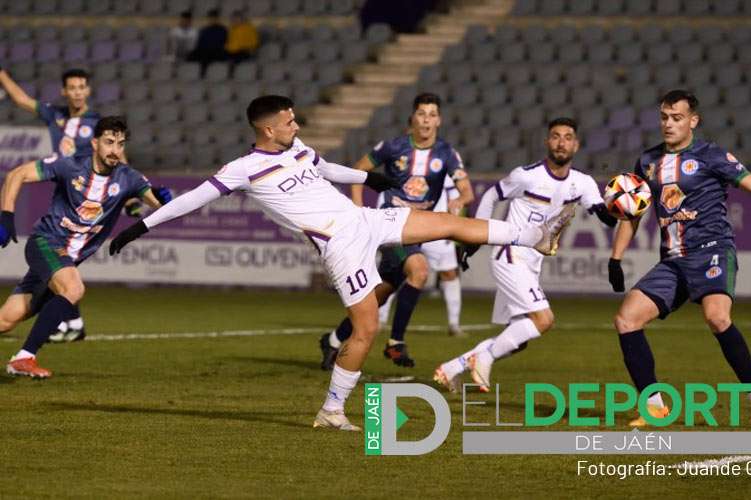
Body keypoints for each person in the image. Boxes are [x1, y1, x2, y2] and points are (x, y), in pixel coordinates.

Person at [108, 95, 572, 431]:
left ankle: (535, 235)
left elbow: (326, 169)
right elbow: (192, 200)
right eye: (289, 122)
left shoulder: (298, 149)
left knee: (444, 223)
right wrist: (139, 227)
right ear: (267, 129)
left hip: (364, 220)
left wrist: (370, 177)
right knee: (365, 330)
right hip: (339, 246)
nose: (295, 125)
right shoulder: (241, 169)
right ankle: (332, 410)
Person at [608, 90, 751, 426]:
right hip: (673, 260)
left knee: (717, 318)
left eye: (676, 118)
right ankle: (654, 407)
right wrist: (615, 258)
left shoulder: (712, 155)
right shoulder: (648, 162)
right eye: (664, 117)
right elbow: (632, 214)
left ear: (692, 121)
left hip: (712, 250)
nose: (668, 124)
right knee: (626, 319)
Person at [434, 117, 618, 392]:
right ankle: (484, 356)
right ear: (547, 141)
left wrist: (623, 206)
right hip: (510, 253)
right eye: (555, 136)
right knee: (544, 320)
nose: (561, 142)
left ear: (576, 144)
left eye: (568, 137)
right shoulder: (526, 175)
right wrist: (479, 235)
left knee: (518, 339)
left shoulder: (583, 183)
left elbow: (606, 218)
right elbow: (490, 196)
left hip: (532, 262)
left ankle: (451, 368)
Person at [0, 117, 172, 378]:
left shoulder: (130, 178)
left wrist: (164, 200)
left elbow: (158, 205)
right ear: (95, 143)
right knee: (73, 288)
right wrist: (6, 216)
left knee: (6, 320)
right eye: (109, 142)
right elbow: (17, 174)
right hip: (47, 242)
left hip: (65, 259)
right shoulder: (70, 166)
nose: (115, 150)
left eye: (120, 144)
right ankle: (24, 358)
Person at [318, 93, 474, 370]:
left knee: (378, 295)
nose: (426, 119)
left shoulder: (446, 153)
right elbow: (358, 171)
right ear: (412, 118)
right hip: (391, 225)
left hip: (420, 228)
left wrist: (458, 201)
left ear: (439, 120)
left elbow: (467, 191)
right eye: (421, 113)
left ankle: (331, 340)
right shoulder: (394, 146)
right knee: (420, 271)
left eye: (432, 114)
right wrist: (357, 209)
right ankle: (395, 343)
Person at [0, 66, 101, 341]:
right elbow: (21, 99)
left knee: (56, 250)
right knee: (58, 254)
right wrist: (2, 74)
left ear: (88, 90)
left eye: (82, 87)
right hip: (62, 191)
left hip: (85, 195)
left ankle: (70, 320)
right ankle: (71, 320)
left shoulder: (97, 122)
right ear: (64, 91)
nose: (78, 92)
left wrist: (133, 196)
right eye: (73, 88)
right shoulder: (55, 115)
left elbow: (118, 156)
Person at [377, 176, 465, 337]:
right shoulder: (399, 170)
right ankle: (380, 320)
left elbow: (455, 202)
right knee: (391, 276)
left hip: (436, 230)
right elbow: (384, 197)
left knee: (449, 273)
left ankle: (454, 324)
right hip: (404, 231)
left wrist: (452, 228)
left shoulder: (443, 173)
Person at [188, 9, 229, 77]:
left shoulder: (223, 30)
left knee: (207, 56)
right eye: (211, 18)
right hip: (205, 50)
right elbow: (200, 43)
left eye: (214, 18)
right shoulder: (204, 30)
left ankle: (203, 74)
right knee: (191, 55)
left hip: (217, 51)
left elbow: (224, 42)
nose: (212, 20)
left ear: (217, 19)